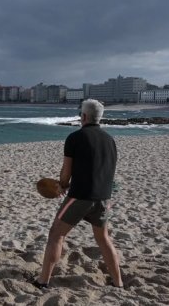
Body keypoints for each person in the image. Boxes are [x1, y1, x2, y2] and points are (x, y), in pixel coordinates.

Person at [32, 99, 123, 290]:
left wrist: (62, 186)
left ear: (83, 116)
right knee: (103, 239)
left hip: (80, 196)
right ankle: (118, 283)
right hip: (105, 198)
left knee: (56, 234)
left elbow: (67, 170)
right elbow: (102, 171)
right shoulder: (110, 140)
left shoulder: (75, 138)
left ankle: (43, 281)